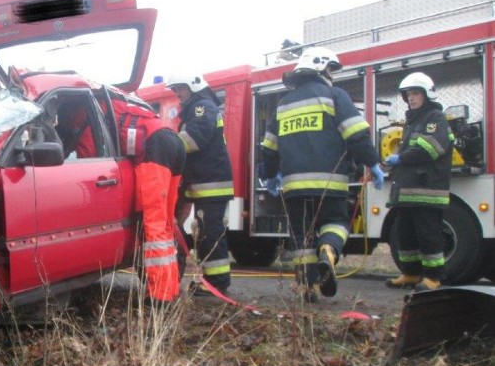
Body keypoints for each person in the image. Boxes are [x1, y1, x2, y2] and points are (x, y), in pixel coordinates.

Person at [260, 47, 384, 302]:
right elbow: (356, 135)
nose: (332, 75)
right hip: (330, 184)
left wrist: (271, 175)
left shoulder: (283, 105)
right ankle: (328, 249)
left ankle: (308, 287)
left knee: (301, 236)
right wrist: (373, 163)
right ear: (322, 68)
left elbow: (269, 148)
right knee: (336, 223)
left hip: (294, 188)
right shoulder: (334, 95)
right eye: (331, 69)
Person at [67, 94, 186, 303]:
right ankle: (169, 287)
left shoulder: (84, 116)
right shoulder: (109, 102)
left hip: (156, 147)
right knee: (165, 224)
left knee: (153, 224)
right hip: (172, 141)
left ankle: (160, 295)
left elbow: (89, 159)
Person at [165, 74, 234, 296]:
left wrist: (164, 144)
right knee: (200, 233)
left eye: (180, 88)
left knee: (210, 234)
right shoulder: (197, 108)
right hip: (201, 182)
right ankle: (205, 279)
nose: (177, 94)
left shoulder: (202, 107)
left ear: (194, 85)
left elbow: (194, 140)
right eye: (175, 89)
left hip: (210, 183)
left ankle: (217, 283)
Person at [384, 72, 453, 290]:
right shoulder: (412, 123)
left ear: (427, 95)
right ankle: (411, 273)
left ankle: (433, 277)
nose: (411, 98)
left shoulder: (435, 118)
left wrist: (400, 158)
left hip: (427, 191)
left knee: (428, 235)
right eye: (408, 94)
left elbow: (430, 148)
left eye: (415, 93)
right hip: (407, 192)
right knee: (405, 235)